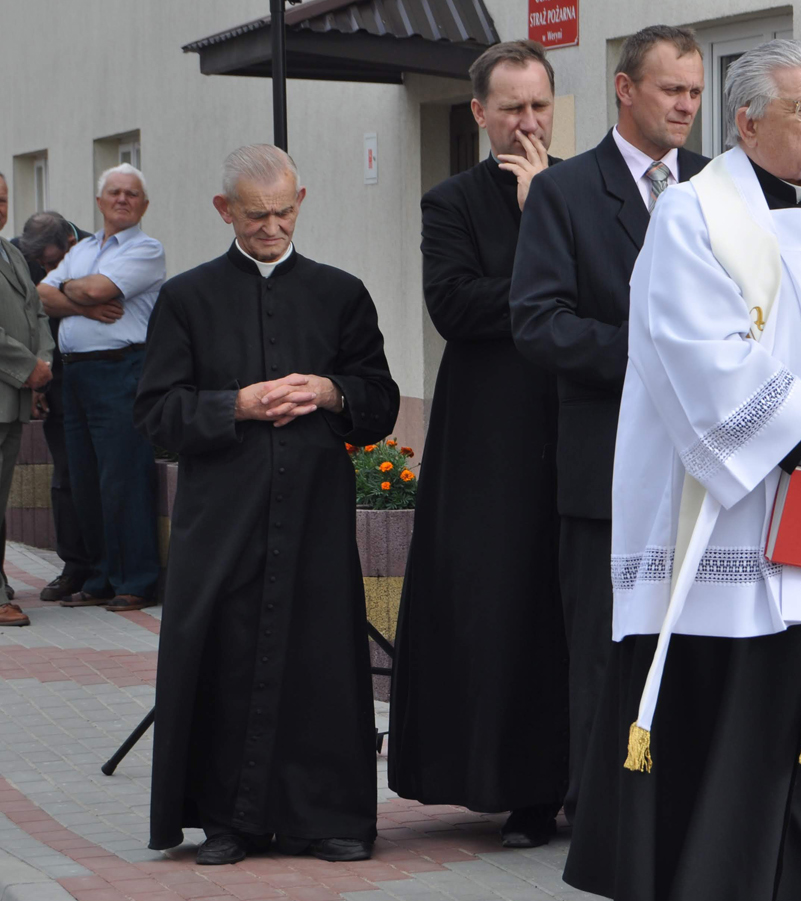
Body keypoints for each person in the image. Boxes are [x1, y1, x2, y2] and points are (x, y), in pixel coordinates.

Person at [562, 39, 801, 901]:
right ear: (747, 120)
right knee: (740, 732)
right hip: (732, 527)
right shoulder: (694, 215)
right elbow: (701, 352)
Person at [135, 145, 399, 866]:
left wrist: (329, 391)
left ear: (301, 200)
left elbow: (378, 401)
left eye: (285, 211)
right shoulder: (187, 299)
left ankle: (328, 817)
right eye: (256, 216)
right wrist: (238, 405)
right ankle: (229, 823)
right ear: (225, 211)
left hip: (314, 513)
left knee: (321, 663)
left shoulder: (340, 293)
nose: (273, 228)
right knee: (225, 658)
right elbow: (156, 414)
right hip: (221, 518)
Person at [510, 23, 709, 823]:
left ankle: (688, 808)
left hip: (708, 468)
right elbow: (537, 322)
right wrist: (653, 355)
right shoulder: (564, 191)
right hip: (606, 470)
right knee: (604, 648)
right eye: (673, 90)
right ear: (626, 89)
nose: (688, 106)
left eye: (696, 92)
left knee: (698, 647)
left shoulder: (718, 185)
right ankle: (601, 819)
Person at [386, 39, 569, 849]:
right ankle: (510, 785)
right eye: (511, 109)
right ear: (479, 113)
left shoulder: (587, 186)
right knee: (499, 602)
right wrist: (539, 230)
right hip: (490, 431)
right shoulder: (452, 201)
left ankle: (571, 780)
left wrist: (553, 212)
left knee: (565, 607)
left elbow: (621, 291)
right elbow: (456, 307)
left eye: (539, 106)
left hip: (576, 420)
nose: (528, 123)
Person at [36, 164, 164, 612]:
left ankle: (137, 580)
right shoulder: (82, 248)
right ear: (100, 201)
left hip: (121, 371)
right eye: (114, 192)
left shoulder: (147, 250)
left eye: (132, 194)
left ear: (143, 205)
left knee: (123, 478)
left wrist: (73, 294)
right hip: (74, 376)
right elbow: (42, 294)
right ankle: (101, 577)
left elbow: (97, 288)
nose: (122, 199)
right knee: (84, 479)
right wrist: (87, 308)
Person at [14, 211, 98, 602]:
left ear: (71, 240)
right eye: (40, 265)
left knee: (102, 475)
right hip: (51, 377)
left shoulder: (101, 251)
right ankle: (75, 567)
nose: (45, 271)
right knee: (65, 475)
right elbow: (33, 313)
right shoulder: (18, 255)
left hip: (101, 376)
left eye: (52, 263)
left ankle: (105, 569)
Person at [0, 176, 57, 627]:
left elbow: (36, 312)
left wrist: (42, 362)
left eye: (2, 199)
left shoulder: (11, 252)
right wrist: (27, 367)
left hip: (12, 400)